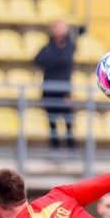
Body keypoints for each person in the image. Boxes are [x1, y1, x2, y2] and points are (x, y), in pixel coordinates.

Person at [34, 20, 76, 149]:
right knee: (52, 121)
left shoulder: (70, 47)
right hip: (49, 90)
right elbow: (38, 60)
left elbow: (63, 60)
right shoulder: (47, 47)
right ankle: (54, 146)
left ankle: (70, 147)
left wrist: (52, 61)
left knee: (68, 120)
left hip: (64, 90)